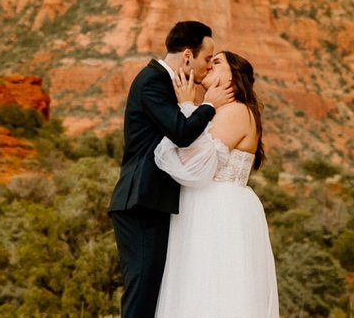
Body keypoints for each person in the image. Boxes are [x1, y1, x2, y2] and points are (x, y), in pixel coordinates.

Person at [110, 19, 230, 318]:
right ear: (187, 56)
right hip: (140, 201)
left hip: (151, 201)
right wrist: (209, 106)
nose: (206, 68)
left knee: (151, 293)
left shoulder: (167, 84)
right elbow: (181, 132)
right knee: (141, 294)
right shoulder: (153, 81)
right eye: (205, 59)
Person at [152, 47, 279, 318]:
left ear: (232, 79)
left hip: (219, 210)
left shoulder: (234, 111)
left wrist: (187, 108)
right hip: (205, 206)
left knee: (217, 288)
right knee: (197, 287)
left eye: (217, 62)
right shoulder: (218, 111)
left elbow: (194, 166)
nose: (208, 64)